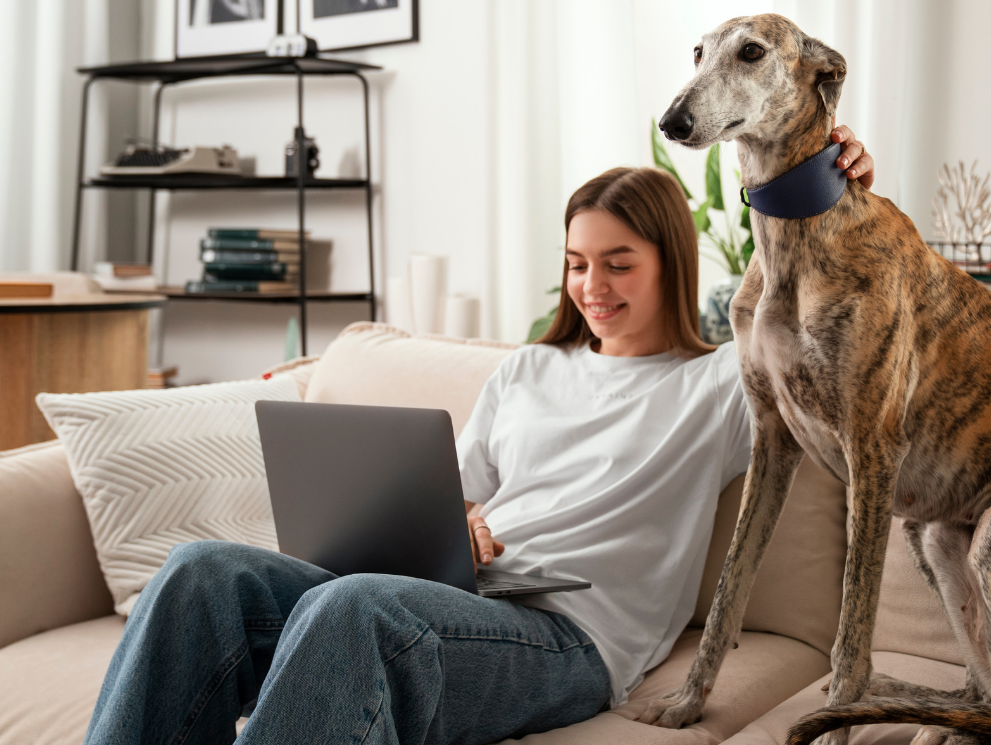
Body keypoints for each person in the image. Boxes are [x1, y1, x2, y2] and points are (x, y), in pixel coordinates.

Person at [83, 128, 874, 745]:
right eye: (576, 264)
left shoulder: (721, 384)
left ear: (673, 264)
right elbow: (458, 494)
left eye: (619, 264)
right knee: (200, 573)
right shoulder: (529, 371)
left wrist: (841, 198)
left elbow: (843, 335)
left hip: (568, 641)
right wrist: (459, 524)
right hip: (462, 595)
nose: (592, 288)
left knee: (356, 608)